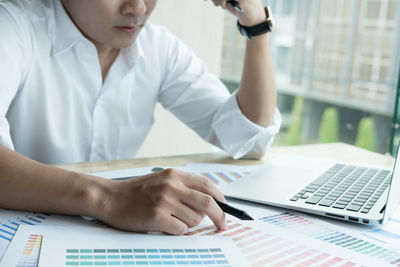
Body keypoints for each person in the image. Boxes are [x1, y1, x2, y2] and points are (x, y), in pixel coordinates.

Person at [0, 0, 281, 235]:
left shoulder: (158, 47)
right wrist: (109, 198)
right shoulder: (12, 25)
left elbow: (249, 138)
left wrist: (255, 26)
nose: (138, 7)